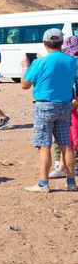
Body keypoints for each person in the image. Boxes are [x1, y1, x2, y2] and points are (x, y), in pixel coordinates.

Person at [21, 28, 77, 192]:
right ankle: (71, 182)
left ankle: (43, 183)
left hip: (44, 106)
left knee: (43, 145)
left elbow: (24, 85)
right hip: (65, 105)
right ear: (61, 43)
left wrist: (25, 66)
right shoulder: (71, 61)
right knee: (66, 145)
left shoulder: (39, 62)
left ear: (44, 43)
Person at [49, 35, 78, 179]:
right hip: (69, 103)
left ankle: (64, 167)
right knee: (68, 136)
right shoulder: (70, 61)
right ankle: (62, 166)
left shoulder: (72, 62)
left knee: (70, 136)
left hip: (71, 104)